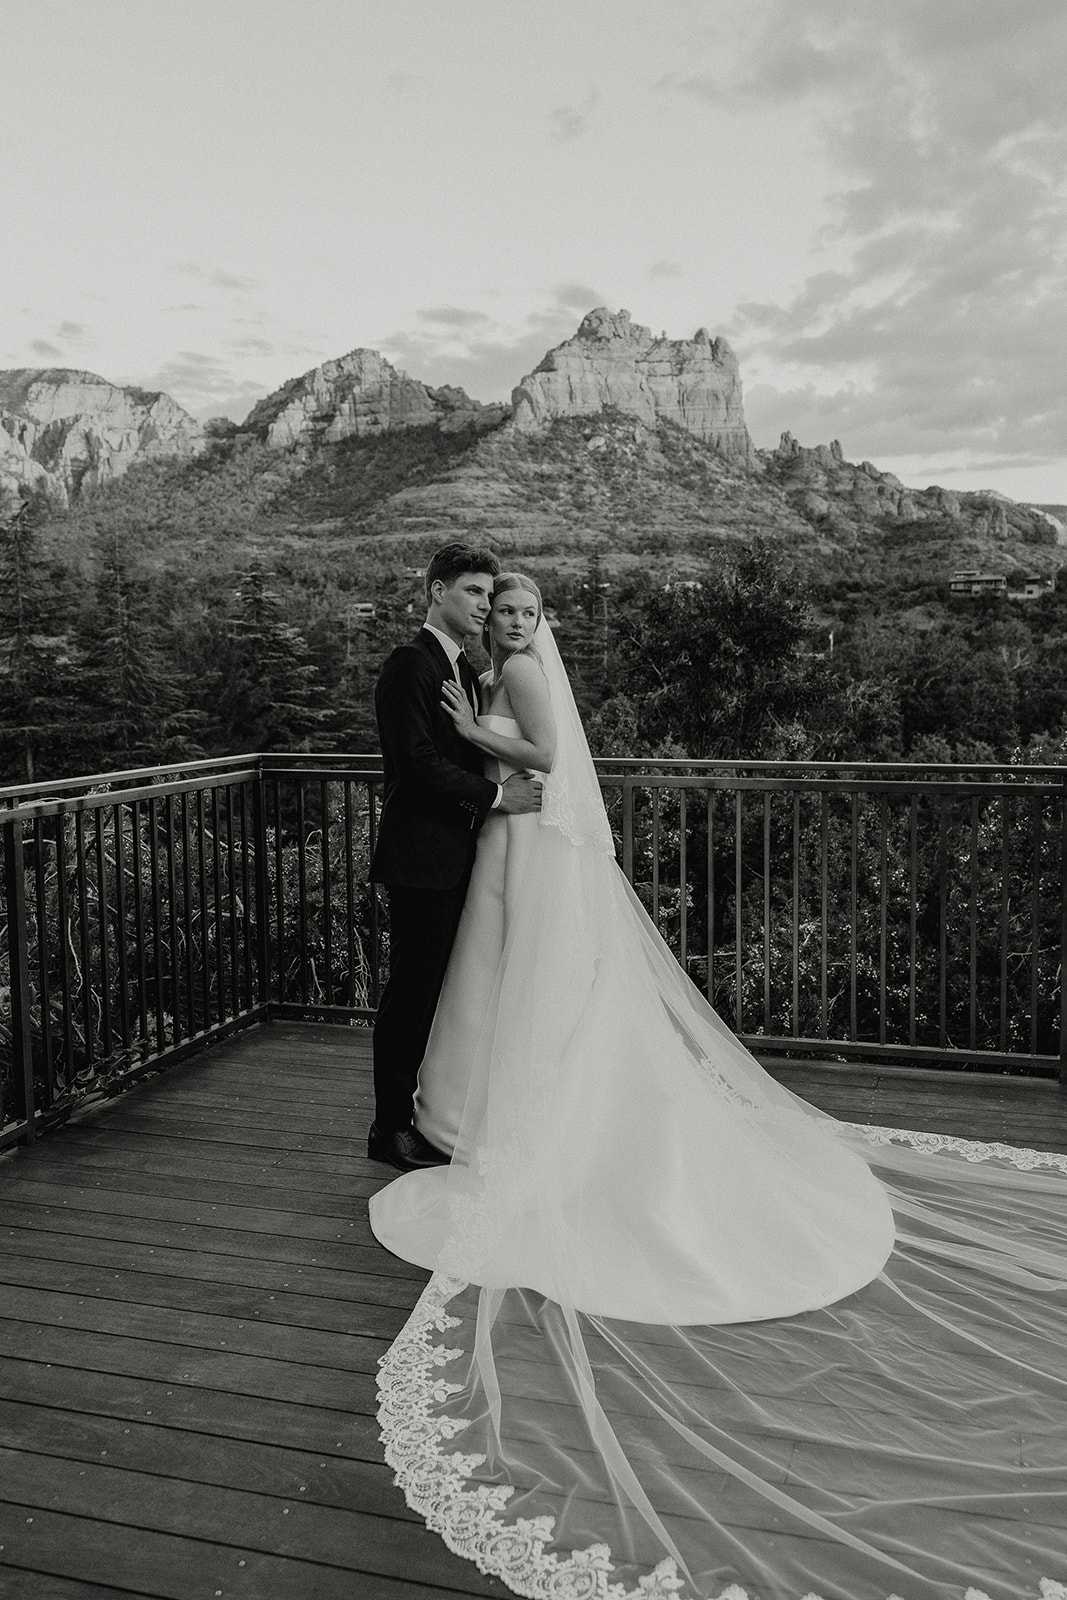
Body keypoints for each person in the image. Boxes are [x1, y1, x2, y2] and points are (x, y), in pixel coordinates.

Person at [369, 577, 1067, 1600]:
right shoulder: (458, 664)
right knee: (491, 988)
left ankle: (497, 1117)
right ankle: (459, 1116)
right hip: (500, 845)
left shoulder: (507, 671)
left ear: (534, 623)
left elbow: (548, 758)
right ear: (457, 601)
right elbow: (458, 758)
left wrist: (485, 737)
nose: (504, 619)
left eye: (516, 607)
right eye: (492, 603)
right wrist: (480, 742)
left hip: (521, 834)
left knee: (514, 989)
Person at [367, 545, 542, 1173]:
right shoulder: (407, 667)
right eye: (473, 592)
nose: (484, 606)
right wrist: (499, 795)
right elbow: (414, 770)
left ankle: (427, 1112)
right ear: (437, 590)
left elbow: (470, 748)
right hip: (421, 859)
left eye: (488, 597)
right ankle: (389, 1129)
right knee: (411, 994)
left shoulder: (466, 670)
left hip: (459, 856)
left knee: (439, 991)